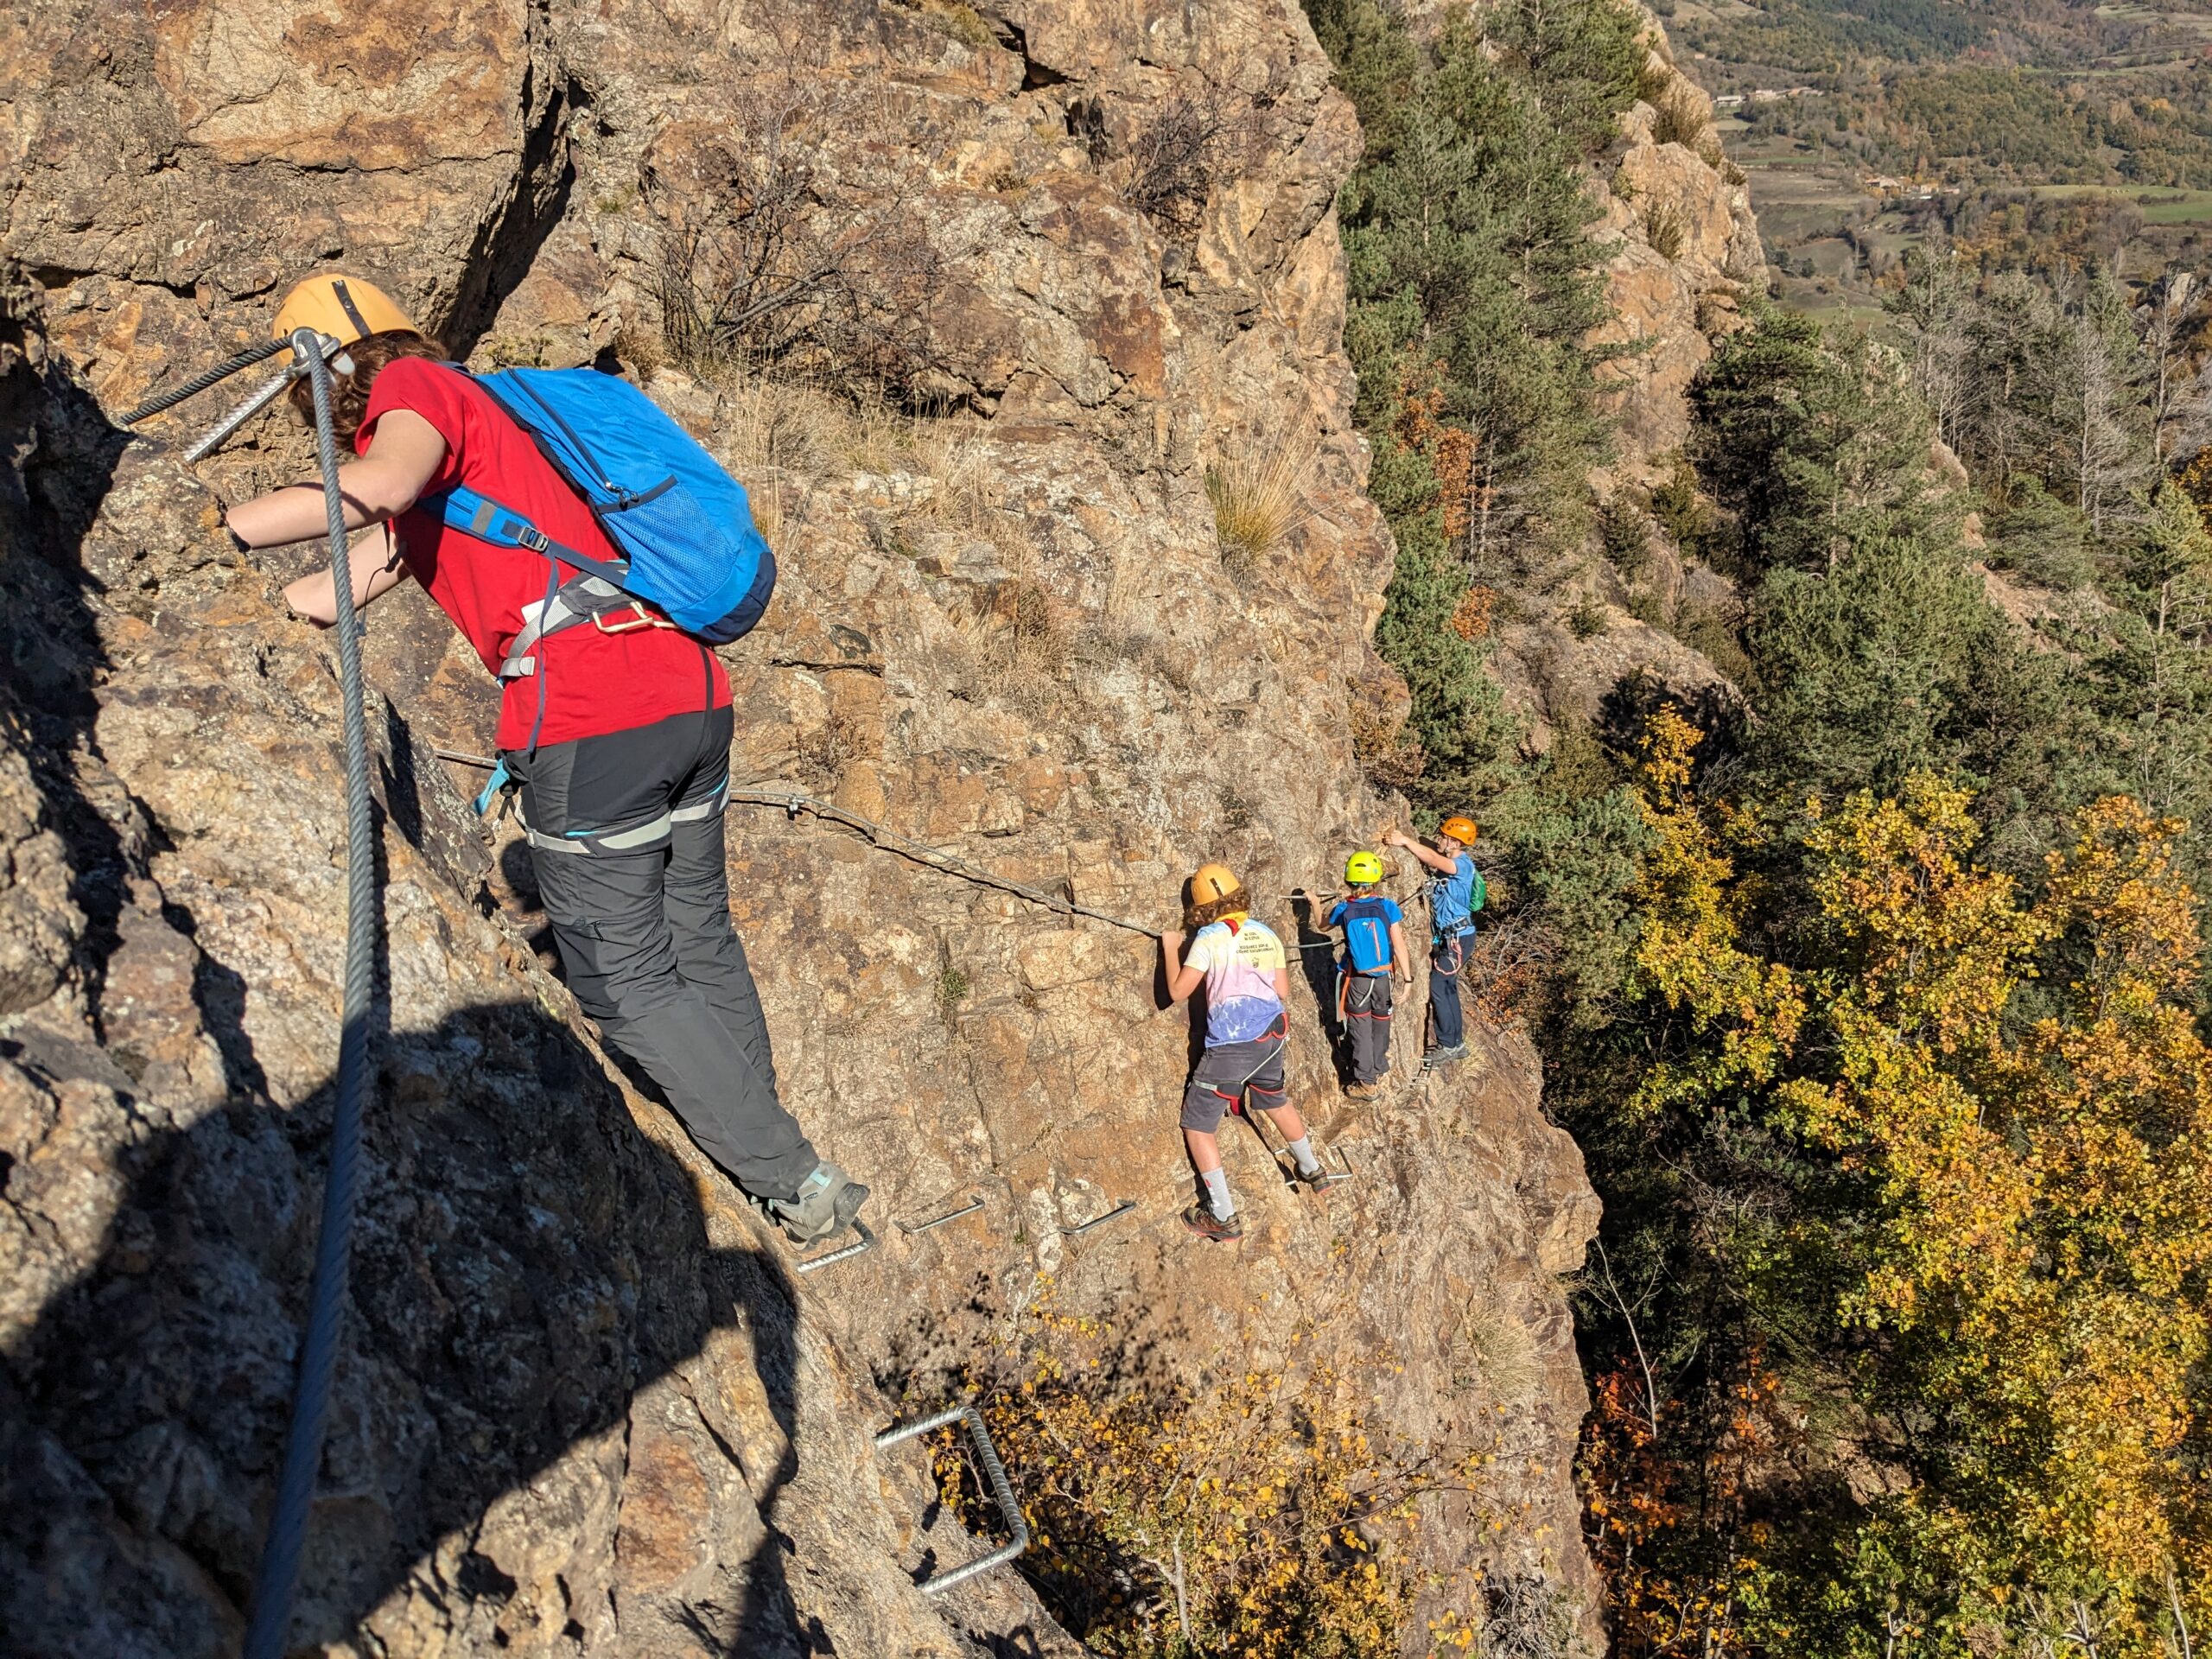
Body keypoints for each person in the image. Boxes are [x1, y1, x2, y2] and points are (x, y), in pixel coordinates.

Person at [223, 273, 868, 1245]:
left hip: (592, 714)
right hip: (683, 688)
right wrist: (220, 591)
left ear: (323, 372)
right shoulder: (487, 436)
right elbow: (339, 587)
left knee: (621, 976)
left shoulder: (417, 396)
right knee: (698, 937)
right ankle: (762, 1136)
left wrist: (218, 525)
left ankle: (788, 1176)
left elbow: (379, 488)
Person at [1160, 863, 1345, 1242]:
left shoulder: (1209, 938)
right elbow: (1282, 990)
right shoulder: (1266, 932)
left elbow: (1177, 993)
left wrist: (1169, 948)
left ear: (1200, 907)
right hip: (1272, 1032)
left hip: (1233, 1042)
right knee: (1274, 1098)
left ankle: (1223, 1216)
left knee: (1197, 1125)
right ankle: (1312, 1169)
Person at [1382, 817, 1484, 1068]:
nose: (1438, 838)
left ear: (1453, 841)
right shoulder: (1454, 862)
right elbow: (1433, 853)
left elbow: (1434, 859)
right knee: (1447, 987)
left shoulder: (1460, 865)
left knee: (1440, 986)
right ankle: (1455, 1043)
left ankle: (1448, 1045)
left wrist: (1404, 840)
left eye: (1442, 835)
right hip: (1456, 937)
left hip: (1457, 939)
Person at [1326, 851, 1411, 1100]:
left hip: (1358, 979)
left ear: (1348, 880)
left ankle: (1366, 1082)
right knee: (1381, 1020)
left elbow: (1322, 925)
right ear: (1375, 880)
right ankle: (1377, 1064)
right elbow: (1399, 945)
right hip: (1383, 976)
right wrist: (1408, 980)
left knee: (1360, 1025)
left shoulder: (1343, 909)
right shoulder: (1388, 907)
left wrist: (1311, 902)